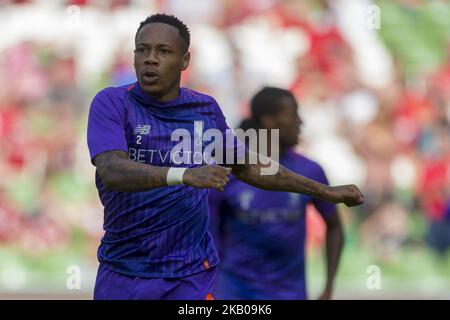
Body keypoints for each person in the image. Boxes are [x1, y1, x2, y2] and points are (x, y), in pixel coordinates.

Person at [87, 13, 363, 300]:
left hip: (191, 275)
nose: (150, 59)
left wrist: (324, 191)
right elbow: (112, 170)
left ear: (185, 61)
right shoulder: (112, 103)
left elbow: (246, 165)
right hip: (124, 271)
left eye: (163, 51)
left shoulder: (204, 109)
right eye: (142, 50)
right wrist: (184, 175)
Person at [209, 87, 344, 300]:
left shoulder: (310, 171)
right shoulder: (228, 170)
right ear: (269, 120)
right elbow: (208, 233)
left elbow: (335, 226)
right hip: (235, 293)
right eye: (293, 114)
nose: (300, 122)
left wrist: (328, 287)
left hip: (290, 294)